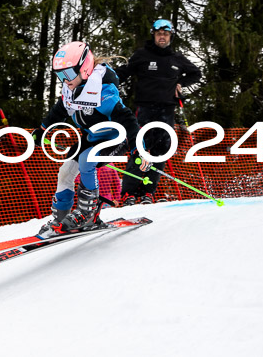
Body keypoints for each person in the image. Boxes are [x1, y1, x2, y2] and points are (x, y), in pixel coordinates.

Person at [31, 41, 149, 238]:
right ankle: (61, 219)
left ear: (84, 69)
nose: (64, 80)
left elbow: (128, 119)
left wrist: (139, 148)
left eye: (68, 74)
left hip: (114, 137)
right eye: (60, 75)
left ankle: (88, 214)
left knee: (87, 160)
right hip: (92, 136)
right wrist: (42, 130)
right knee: (65, 171)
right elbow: (59, 111)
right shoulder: (71, 89)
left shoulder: (103, 91)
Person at [115, 19, 202, 205]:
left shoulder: (177, 59)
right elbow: (124, 72)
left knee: (161, 151)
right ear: (153, 35)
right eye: (158, 33)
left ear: (171, 36)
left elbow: (196, 73)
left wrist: (181, 84)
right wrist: (103, 79)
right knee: (140, 149)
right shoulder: (142, 55)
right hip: (145, 110)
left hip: (167, 111)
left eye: (166, 34)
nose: (162, 36)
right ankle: (129, 193)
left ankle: (147, 192)